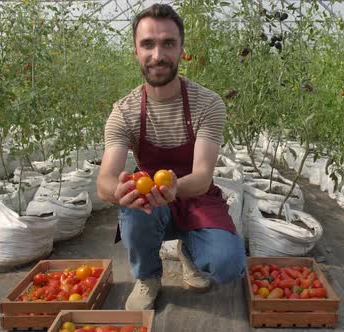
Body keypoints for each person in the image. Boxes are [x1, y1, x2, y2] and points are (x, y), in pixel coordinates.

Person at [97, 4, 246, 311]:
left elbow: (203, 176)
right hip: (150, 203)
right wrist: (119, 191)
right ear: (136, 51)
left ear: (181, 50)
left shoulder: (208, 103)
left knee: (228, 265)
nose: (157, 55)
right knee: (134, 205)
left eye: (168, 43)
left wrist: (175, 188)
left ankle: (189, 250)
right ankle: (148, 276)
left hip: (195, 196)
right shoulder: (123, 113)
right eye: (147, 44)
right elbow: (104, 181)